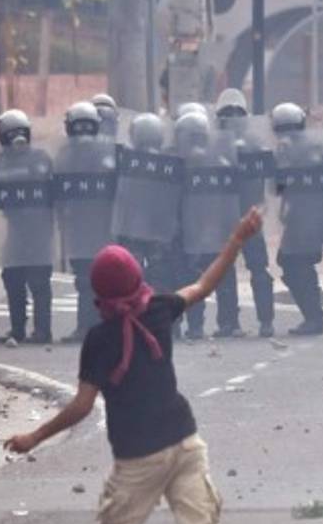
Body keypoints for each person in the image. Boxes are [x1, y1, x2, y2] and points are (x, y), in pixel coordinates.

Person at [2, 208, 264, 524]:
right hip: (183, 442)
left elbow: (83, 406)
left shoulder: (99, 340)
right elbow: (203, 285)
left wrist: (34, 436)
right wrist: (237, 239)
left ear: (98, 293)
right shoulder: (160, 309)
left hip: (136, 459)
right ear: (138, 278)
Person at [0, 109, 55, 344]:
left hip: (27, 227)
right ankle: (34, 330)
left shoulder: (3, 162)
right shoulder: (40, 158)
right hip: (25, 229)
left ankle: (31, 330)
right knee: (18, 277)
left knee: (26, 279)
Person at [54, 101, 117, 343]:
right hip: (95, 228)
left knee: (87, 280)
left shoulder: (66, 154)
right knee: (94, 280)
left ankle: (90, 328)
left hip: (84, 227)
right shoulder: (108, 153)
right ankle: (98, 327)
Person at [271, 102, 323, 335]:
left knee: (294, 263)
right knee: (296, 263)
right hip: (313, 215)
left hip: (303, 217)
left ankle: (314, 317)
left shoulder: (285, 149)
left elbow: (278, 186)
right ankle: (314, 315)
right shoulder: (316, 146)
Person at [216, 88, 276, 337]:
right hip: (250, 218)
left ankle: (230, 324)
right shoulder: (256, 144)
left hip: (227, 218)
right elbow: (274, 182)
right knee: (257, 270)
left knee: (228, 271)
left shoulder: (215, 145)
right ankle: (265, 322)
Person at [176, 111, 242, 339]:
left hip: (194, 231)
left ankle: (196, 326)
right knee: (224, 279)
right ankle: (229, 323)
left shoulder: (182, 163)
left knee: (193, 281)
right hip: (218, 233)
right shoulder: (223, 160)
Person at [111, 113, 185, 299]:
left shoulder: (125, 161)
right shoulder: (170, 162)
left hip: (131, 229)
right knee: (160, 281)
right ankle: (165, 322)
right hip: (159, 231)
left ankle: (128, 318)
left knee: (128, 278)